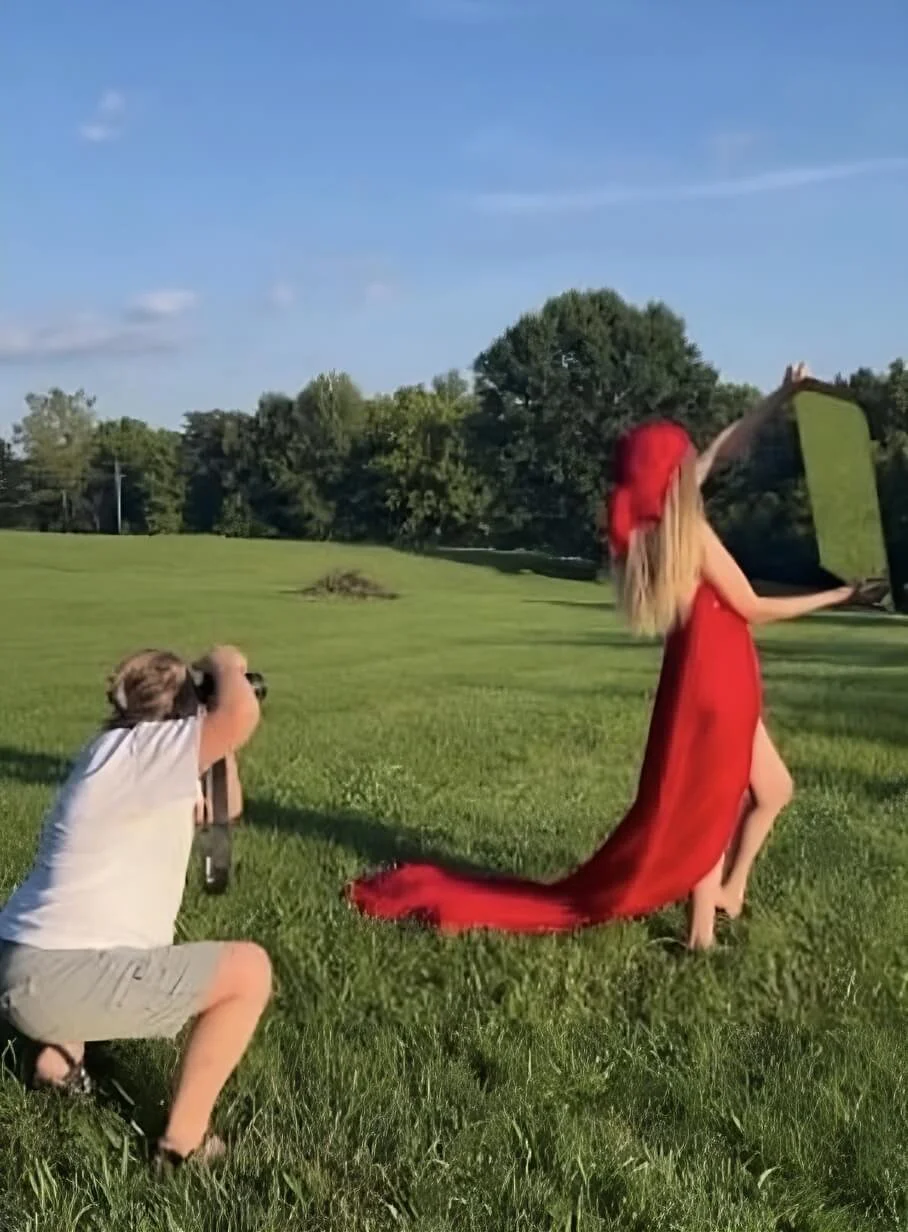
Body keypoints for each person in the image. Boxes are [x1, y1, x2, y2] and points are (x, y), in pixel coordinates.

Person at [346, 365, 855, 949]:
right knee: (711, 809)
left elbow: (722, 449)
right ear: (673, 481)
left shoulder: (661, 523)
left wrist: (781, 396)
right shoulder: (692, 536)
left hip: (707, 674)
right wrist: (842, 595)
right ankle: (701, 937)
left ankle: (729, 893)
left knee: (770, 790)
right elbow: (753, 607)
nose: (697, 465)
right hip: (717, 679)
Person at [0, 645, 270, 1171]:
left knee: (101, 942)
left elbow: (224, 809)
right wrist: (228, 668)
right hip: (54, 975)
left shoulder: (121, 754)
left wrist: (212, 731)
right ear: (180, 710)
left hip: (23, 963)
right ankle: (184, 1146)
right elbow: (240, 715)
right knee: (248, 972)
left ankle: (57, 1066)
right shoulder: (147, 753)